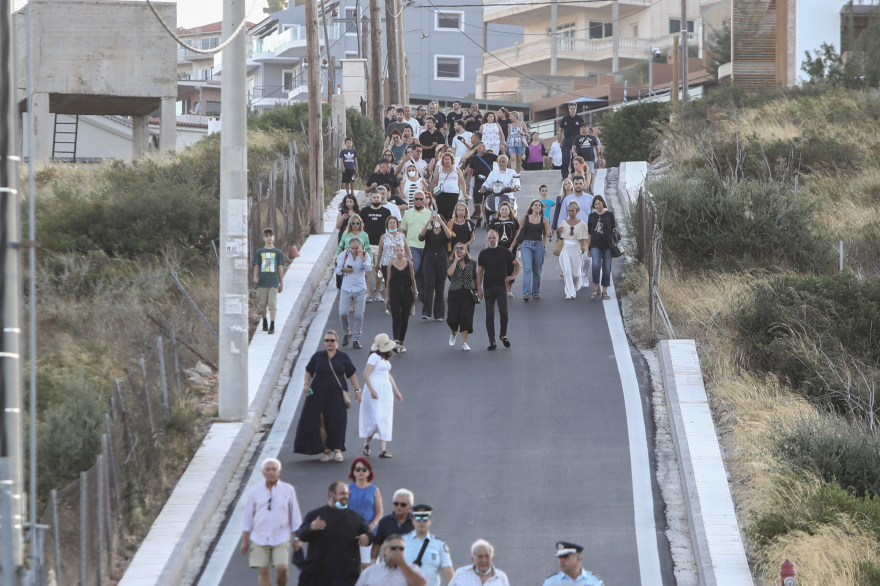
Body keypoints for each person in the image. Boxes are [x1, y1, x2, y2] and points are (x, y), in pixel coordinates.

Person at [293, 331, 360, 462]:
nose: (329, 343)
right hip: (318, 394)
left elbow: (351, 374)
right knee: (321, 422)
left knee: (337, 421)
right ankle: (327, 451)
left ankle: (337, 449)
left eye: (332, 340)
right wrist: (306, 384)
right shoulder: (318, 356)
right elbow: (309, 371)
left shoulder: (343, 357)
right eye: (327, 340)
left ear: (337, 342)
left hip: (337, 394)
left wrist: (357, 390)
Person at [296, 481, 372, 586]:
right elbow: (301, 535)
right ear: (332, 494)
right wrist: (311, 527)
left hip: (346, 573)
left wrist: (366, 536)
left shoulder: (355, 516)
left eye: (347, 494)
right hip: (319, 572)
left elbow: (369, 533)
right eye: (342, 494)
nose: (345, 496)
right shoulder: (315, 514)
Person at [241, 458, 303, 586]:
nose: (271, 472)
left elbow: (295, 515)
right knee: (263, 571)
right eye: (268, 470)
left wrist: (297, 538)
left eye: (274, 469)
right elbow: (247, 518)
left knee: (282, 568)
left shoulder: (288, 490)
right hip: (259, 538)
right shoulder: (255, 492)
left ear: (279, 472)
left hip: (281, 537)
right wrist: (244, 541)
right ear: (263, 473)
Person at [359, 333, 404, 459]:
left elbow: (388, 376)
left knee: (385, 417)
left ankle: (382, 450)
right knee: (377, 418)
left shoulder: (384, 359)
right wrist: (372, 390)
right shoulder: (374, 357)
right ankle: (367, 442)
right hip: (375, 389)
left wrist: (396, 391)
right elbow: (365, 374)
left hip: (385, 390)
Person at [477, 230, 520, 351]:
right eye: (489, 238)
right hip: (488, 287)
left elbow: (518, 265)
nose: (491, 240)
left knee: (504, 313)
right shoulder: (483, 254)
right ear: (487, 239)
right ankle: (492, 341)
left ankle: (503, 335)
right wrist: (479, 289)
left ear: (498, 239)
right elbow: (480, 272)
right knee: (489, 314)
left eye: (493, 238)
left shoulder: (504, 251)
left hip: (501, 286)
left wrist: (511, 277)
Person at [403, 505, 454, 586]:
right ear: (412, 520)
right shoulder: (402, 542)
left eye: (425, 518)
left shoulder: (439, 545)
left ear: (430, 520)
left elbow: (448, 573)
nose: (421, 522)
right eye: (418, 518)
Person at [336, 239, 372, 350]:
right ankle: (346, 333)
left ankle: (356, 339)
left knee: (358, 315)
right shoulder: (344, 255)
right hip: (346, 288)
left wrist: (362, 257)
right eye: (353, 248)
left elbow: (369, 268)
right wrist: (345, 270)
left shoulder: (365, 255)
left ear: (361, 247)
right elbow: (337, 270)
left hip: (360, 288)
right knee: (343, 312)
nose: (355, 251)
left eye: (357, 248)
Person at [348, 458, 383, 570]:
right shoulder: (347, 489)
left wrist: (373, 524)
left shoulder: (374, 490)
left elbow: (379, 511)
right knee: (352, 565)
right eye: (358, 469)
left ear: (369, 472)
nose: (361, 472)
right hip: (351, 530)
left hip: (369, 531)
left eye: (364, 469)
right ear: (353, 472)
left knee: (368, 565)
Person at [418, 208, 452, 321]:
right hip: (429, 260)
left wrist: (441, 222)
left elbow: (449, 237)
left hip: (442, 259)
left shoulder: (443, 233)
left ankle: (439, 314)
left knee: (440, 287)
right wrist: (429, 221)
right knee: (429, 285)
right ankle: (426, 312)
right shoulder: (428, 232)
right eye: (435, 220)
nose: (436, 221)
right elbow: (421, 236)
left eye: (438, 220)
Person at [560, 176, 594, 284]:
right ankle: (573, 277)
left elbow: (593, 216)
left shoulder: (590, 198)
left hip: (585, 232)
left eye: (580, 183)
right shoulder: (567, 199)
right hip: (570, 232)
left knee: (587, 258)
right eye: (576, 183)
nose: (578, 185)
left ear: (584, 184)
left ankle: (584, 276)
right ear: (573, 185)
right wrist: (559, 230)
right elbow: (562, 215)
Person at [355, 535, 427, 586]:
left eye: (401, 549)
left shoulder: (413, 569)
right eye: (393, 548)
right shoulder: (370, 571)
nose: (397, 551)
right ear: (385, 549)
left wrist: (403, 564)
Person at [515, 199, 551, 301]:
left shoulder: (544, 220)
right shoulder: (525, 218)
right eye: (535, 205)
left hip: (539, 245)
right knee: (527, 268)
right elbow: (519, 232)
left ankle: (535, 291)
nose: (537, 207)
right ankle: (526, 293)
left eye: (539, 205)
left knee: (537, 270)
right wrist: (517, 244)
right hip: (526, 244)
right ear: (531, 207)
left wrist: (550, 234)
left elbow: (547, 233)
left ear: (541, 208)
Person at [361, 191, 392, 302]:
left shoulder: (386, 212)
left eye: (378, 197)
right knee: (368, 270)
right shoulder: (364, 211)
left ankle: (378, 293)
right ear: (371, 199)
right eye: (374, 197)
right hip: (367, 245)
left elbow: (390, 227)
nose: (376, 199)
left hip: (381, 245)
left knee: (378, 269)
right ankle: (367, 293)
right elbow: (360, 226)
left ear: (381, 198)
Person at [385, 244, 417, 353]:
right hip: (395, 291)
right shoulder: (390, 264)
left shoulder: (409, 264)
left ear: (404, 252)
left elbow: (413, 279)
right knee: (396, 317)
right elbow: (388, 281)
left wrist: (416, 293)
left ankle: (401, 342)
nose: (399, 252)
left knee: (405, 318)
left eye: (401, 250)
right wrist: (387, 296)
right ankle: (396, 341)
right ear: (394, 252)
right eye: (397, 250)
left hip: (407, 292)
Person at [252, 228, 285, 335]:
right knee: (262, 304)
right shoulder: (259, 252)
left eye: (271, 235)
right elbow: (256, 265)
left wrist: (281, 283)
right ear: (263, 238)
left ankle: (272, 324)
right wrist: (255, 277)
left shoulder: (278, 252)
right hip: (262, 282)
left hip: (273, 282)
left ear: (274, 237)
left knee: (272, 303)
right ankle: (264, 320)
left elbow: (280, 267)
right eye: (267, 236)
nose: (269, 238)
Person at [446, 243, 478, 352]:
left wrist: (478, 290)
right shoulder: (450, 262)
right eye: (457, 248)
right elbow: (450, 273)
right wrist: (455, 260)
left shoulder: (472, 263)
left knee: (466, 317)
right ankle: (453, 332)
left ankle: (464, 342)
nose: (459, 250)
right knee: (452, 318)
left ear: (466, 250)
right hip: (454, 292)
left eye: (461, 248)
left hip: (468, 293)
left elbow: (475, 277)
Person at [400, 191, 432, 300]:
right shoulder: (407, 213)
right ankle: (412, 289)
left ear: (424, 201)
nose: (418, 201)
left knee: (426, 270)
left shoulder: (429, 214)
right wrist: (404, 246)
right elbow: (403, 231)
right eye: (416, 199)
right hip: (412, 245)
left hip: (426, 246)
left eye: (421, 199)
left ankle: (423, 291)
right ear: (413, 200)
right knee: (415, 266)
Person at [556, 202, 589, 300]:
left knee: (575, 274)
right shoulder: (563, 223)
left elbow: (584, 238)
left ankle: (574, 287)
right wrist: (558, 232)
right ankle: (569, 293)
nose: (570, 213)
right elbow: (560, 238)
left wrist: (583, 246)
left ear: (577, 211)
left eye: (572, 211)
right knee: (567, 270)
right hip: (566, 247)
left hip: (576, 248)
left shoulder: (582, 224)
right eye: (569, 211)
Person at [372, 489, 415, 562]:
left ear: (409, 507)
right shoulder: (385, 522)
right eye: (396, 503)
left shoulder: (416, 522)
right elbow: (377, 544)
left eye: (403, 505)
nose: (399, 507)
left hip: (410, 563)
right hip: (389, 563)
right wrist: (372, 563)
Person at [586, 195, 617, 301]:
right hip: (595, 244)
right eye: (596, 204)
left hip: (607, 245)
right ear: (593, 205)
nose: (598, 206)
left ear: (603, 203)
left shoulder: (609, 215)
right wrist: (588, 247)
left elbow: (614, 227)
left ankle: (605, 291)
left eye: (599, 203)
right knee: (595, 265)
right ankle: (596, 289)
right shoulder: (591, 216)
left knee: (607, 268)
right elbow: (589, 232)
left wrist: (614, 231)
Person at [460, 142, 497, 225]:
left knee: (487, 202)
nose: (484, 147)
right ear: (477, 148)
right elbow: (470, 172)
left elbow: (502, 161)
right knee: (477, 203)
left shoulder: (490, 156)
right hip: (478, 182)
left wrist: (503, 152)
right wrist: (468, 184)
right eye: (481, 146)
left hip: (488, 183)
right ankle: (479, 216)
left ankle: (486, 220)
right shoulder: (474, 158)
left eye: (484, 146)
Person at [429, 152, 466, 222]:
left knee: (450, 211)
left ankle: (448, 227)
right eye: (445, 159)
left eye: (448, 159)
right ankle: (442, 226)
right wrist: (431, 192)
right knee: (441, 211)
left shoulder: (456, 169)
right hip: (441, 193)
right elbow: (434, 182)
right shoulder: (440, 169)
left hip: (453, 193)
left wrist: (464, 193)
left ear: (451, 160)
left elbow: (462, 182)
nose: (446, 161)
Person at [558, 102, 585, 179]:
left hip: (576, 139)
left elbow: (583, 129)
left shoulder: (579, 119)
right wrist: (560, 142)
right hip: (566, 139)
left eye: (574, 109)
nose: (572, 110)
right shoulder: (565, 119)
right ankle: (564, 176)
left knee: (575, 158)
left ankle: (574, 174)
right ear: (569, 109)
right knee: (565, 157)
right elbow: (560, 130)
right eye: (571, 109)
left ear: (576, 109)